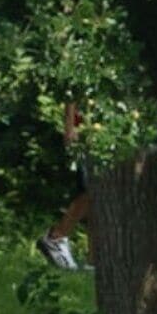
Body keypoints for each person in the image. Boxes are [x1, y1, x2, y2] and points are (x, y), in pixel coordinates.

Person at [39, 100, 94, 270]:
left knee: (100, 194)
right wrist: (70, 126)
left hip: (104, 129)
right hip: (85, 129)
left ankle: (95, 257)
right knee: (90, 189)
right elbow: (73, 91)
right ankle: (57, 236)